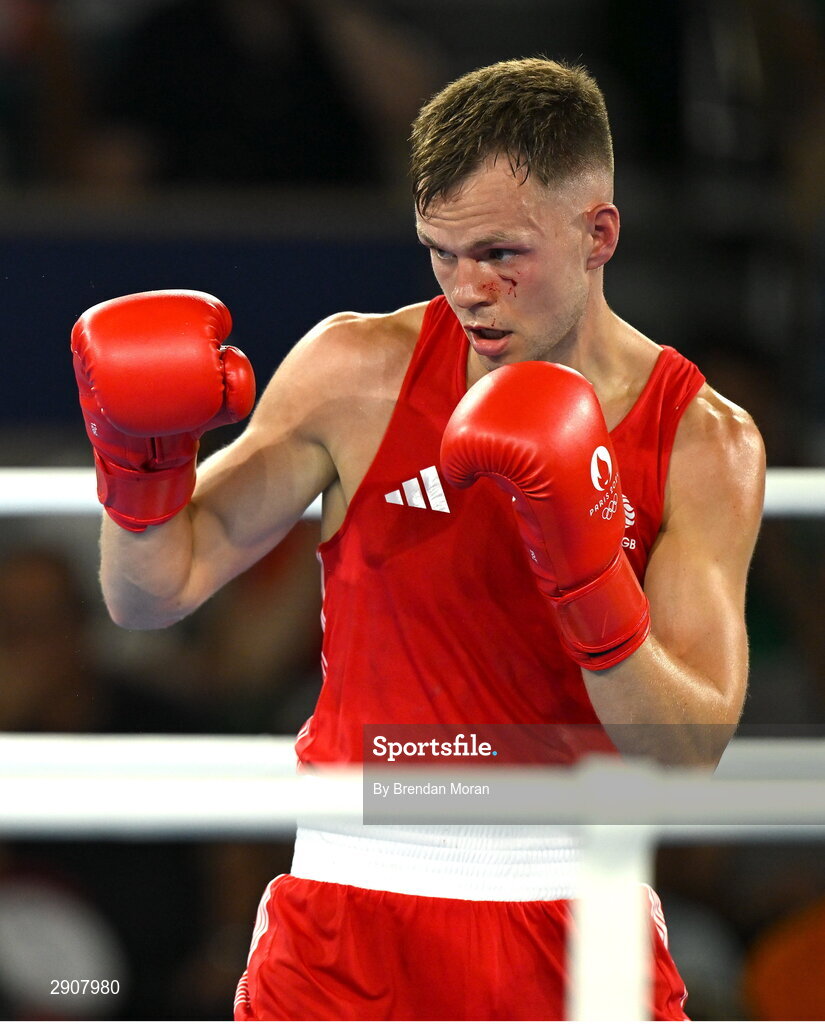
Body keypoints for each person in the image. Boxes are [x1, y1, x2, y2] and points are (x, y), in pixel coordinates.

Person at [70, 58, 765, 1021]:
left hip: (577, 913)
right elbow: (150, 594)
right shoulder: (357, 371)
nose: (467, 289)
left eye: (499, 253)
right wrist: (138, 475)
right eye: (440, 252)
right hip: (350, 908)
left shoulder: (701, 440)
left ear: (598, 232)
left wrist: (585, 571)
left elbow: (686, 752)